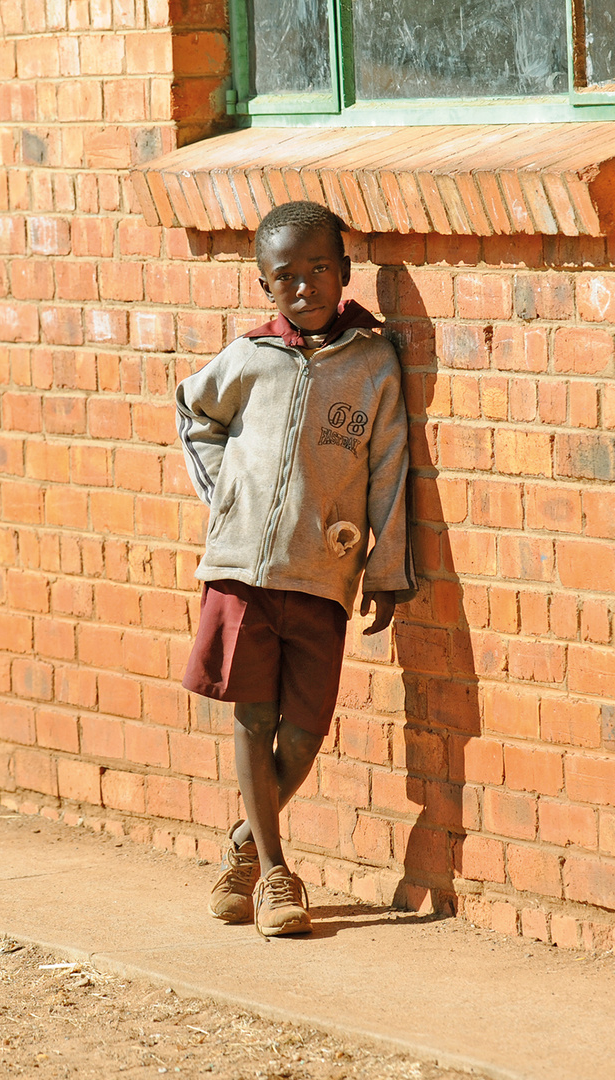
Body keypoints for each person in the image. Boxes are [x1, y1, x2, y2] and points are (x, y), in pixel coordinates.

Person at [174, 201, 414, 936]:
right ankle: (277, 876)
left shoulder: (374, 364)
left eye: (319, 271)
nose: (305, 288)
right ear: (265, 287)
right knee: (253, 715)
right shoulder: (248, 357)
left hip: (321, 571)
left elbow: (389, 469)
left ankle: (245, 845)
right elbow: (194, 411)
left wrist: (387, 566)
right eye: (287, 278)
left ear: (344, 274)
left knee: (304, 729)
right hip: (242, 569)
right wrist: (227, 495)